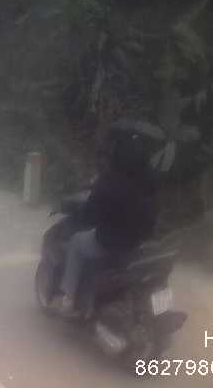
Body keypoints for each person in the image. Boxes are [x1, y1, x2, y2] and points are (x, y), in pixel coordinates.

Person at [53, 123, 159, 317]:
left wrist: (78, 211)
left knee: (76, 242)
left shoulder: (110, 179)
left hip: (111, 241)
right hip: (139, 240)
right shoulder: (148, 177)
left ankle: (67, 300)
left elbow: (91, 214)